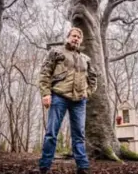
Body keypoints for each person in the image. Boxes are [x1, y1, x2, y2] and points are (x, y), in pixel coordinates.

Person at [38, 27, 97, 174]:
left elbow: (93, 79)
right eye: (73, 36)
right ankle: (44, 166)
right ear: (68, 37)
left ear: (81, 40)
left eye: (78, 37)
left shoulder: (86, 59)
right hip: (59, 96)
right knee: (52, 132)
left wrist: (87, 93)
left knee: (79, 135)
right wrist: (46, 93)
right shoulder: (56, 52)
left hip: (79, 101)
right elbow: (45, 72)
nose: (76, 38)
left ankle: (82, 167)